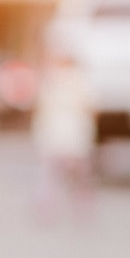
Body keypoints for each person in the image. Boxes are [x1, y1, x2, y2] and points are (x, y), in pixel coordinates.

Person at [31, 55, 96, 222]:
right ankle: (83, 210)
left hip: (53, 134)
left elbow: (40, 108)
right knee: (80, 176)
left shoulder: (50, 80)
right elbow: (91, 108)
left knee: (49, 176)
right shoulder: (82, 81)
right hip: (75, 135)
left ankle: (46, 210)